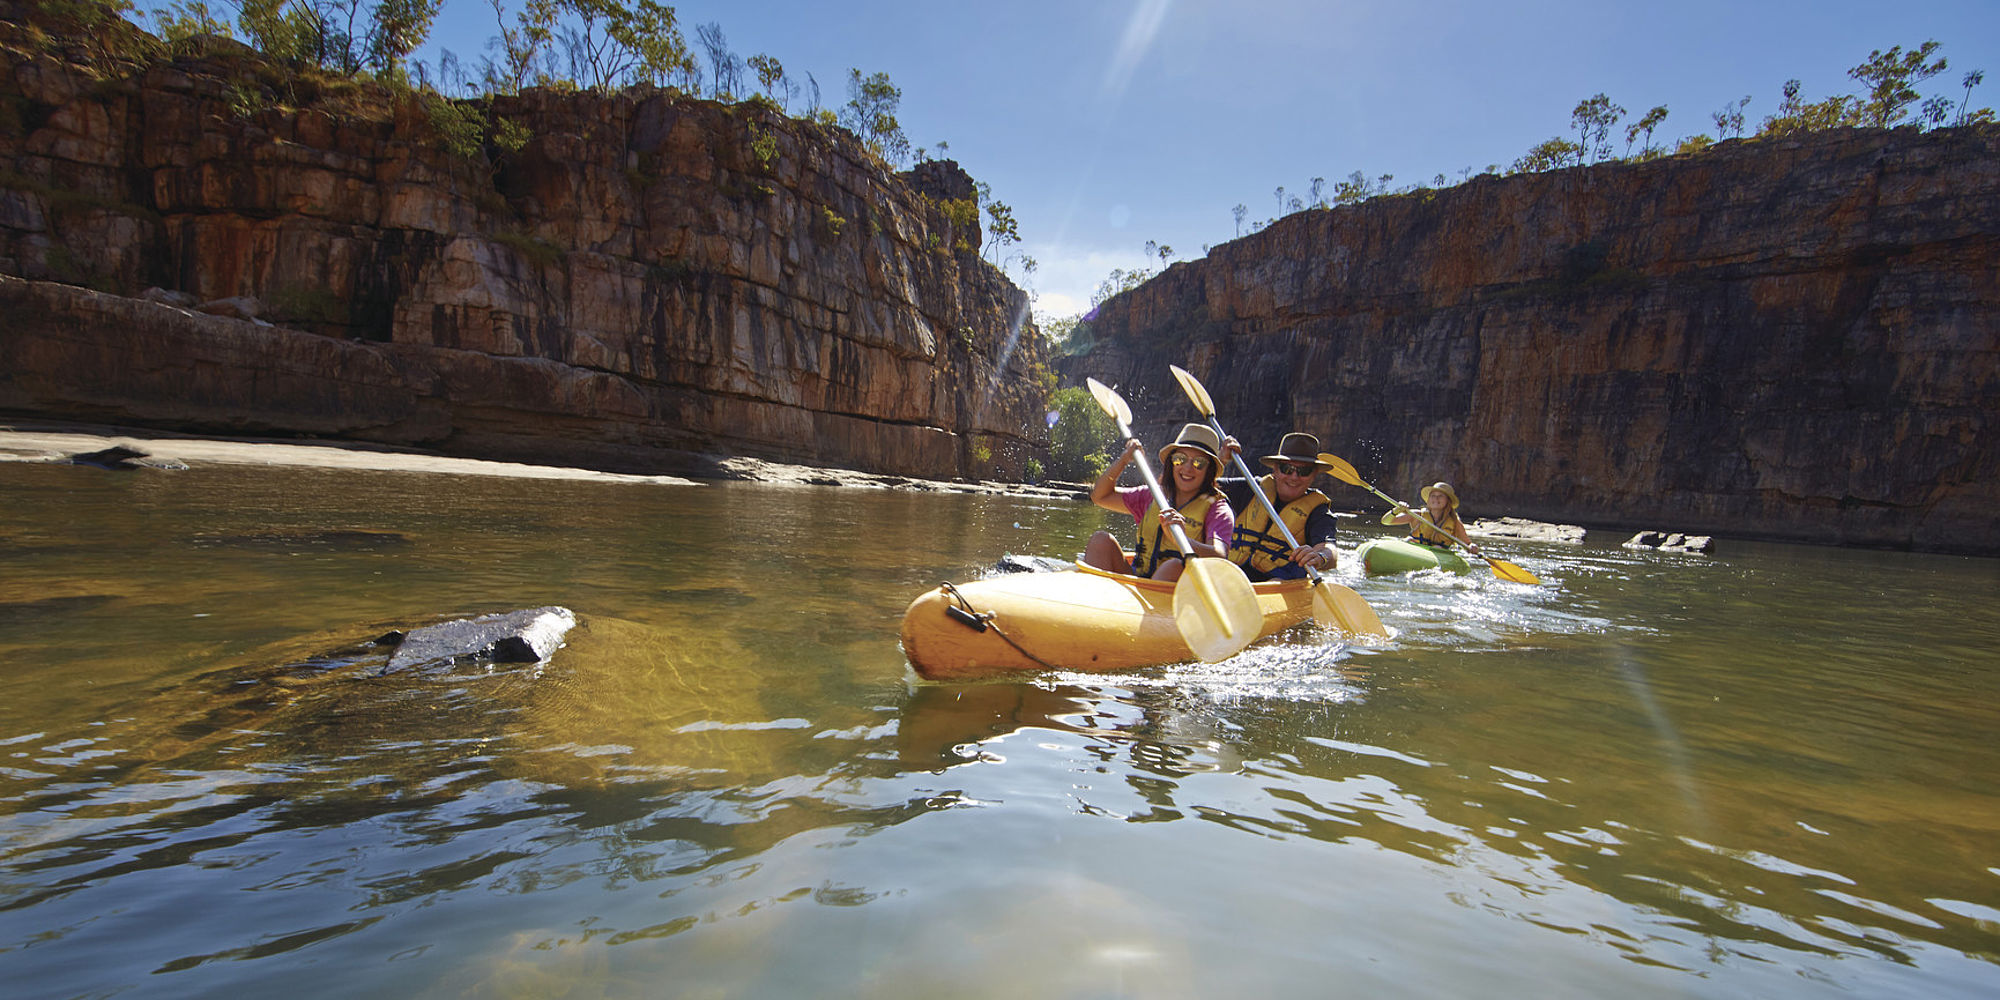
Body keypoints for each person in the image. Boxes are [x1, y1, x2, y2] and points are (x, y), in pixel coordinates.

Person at [1083, 424, 1235, 582]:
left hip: (1176, 589)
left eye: (1199, 463)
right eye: (1180, 459)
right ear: (1171, 463)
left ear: (1209, 470)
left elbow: (1219, 555)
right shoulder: (1152, 495)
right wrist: (1123, 459)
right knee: (1100, 540)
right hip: (1139, 578)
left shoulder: (1218, 509)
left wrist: (1182, 541)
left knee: (1173, 567)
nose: (1188, 468)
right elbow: (1099, 497)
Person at [1216, 432, 1339, 581]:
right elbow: (1202, 486)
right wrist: (1221, 460)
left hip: (1277, 584)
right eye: (1287, 469)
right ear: (1275, 469)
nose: (1294, 477)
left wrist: (1320, 557)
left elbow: (1329, 549)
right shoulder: (1251, 488)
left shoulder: (1318, 512)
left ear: (1314, 475)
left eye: (1304, 471)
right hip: (1229, 575)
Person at [1384, 481, 1487, 559]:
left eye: (1440, 496)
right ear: (1428, 500)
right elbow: (1386, 521)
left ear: (1448, 501)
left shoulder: (1454, 522)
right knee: (1409, 540)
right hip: (1414, 552)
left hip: (1437, 556)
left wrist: (1472, 547)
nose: (1436, 499)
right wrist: (1396, 510)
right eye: (1433, 496)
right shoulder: (1417, 515)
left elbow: (1467, 544)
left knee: (1438, 547)